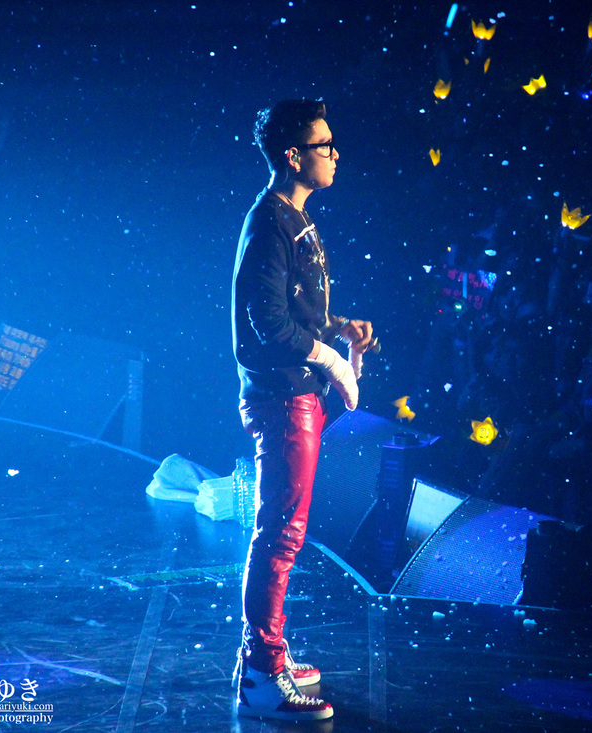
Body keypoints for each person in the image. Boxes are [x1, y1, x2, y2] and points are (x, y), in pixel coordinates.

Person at [231, 99, 374, 721]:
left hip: (296, 392)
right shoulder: (270, 223)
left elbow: (293, 309)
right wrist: (333, 360)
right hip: (282, 397)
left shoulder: (293, 218)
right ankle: (261, 675)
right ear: (294, 156)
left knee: (284, 531)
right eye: (325, 145)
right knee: (281, 533)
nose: (335, 154)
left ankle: (267, 656)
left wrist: (337, 328)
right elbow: (266, 323)